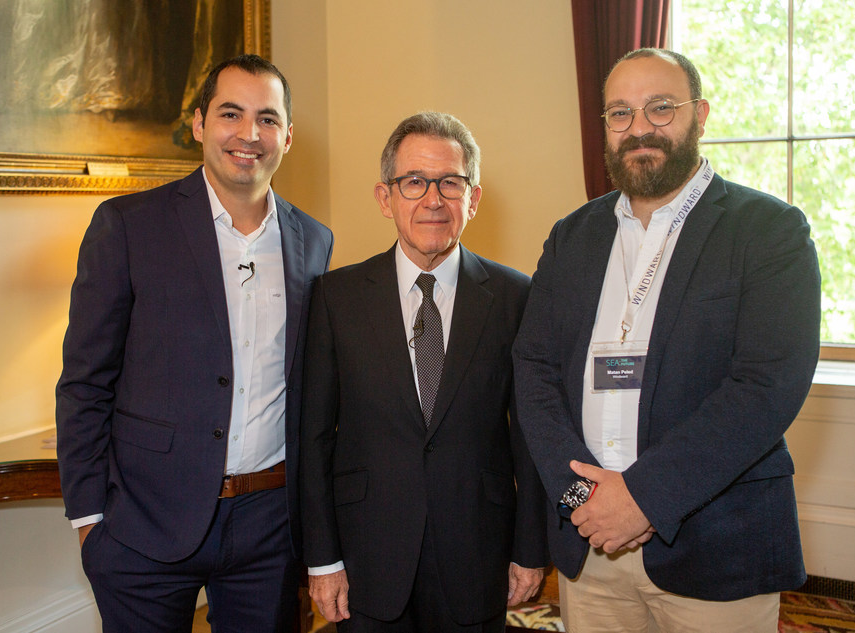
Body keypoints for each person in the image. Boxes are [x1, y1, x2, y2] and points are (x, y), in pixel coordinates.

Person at [512, 48, 821, 633]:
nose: (639, 129)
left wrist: (643, 498)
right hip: (592, 547)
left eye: (661, 108)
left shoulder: (769, 231)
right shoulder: (572, 236)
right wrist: (583, 499)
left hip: (714, 544)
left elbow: (766, 386)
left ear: (700, 115)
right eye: (620, 114)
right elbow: (533, 368)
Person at [55, 54, 333, 632]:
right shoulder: (128, 225)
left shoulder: (315, 242)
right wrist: (90, 522)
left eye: (267, 118)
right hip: (143, 526)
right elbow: (85, 381)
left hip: (269, 526)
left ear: (288, 136)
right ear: (201, 123)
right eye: (231, 113)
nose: (249, 134)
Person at [300, 111, 548, 632]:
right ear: (385, 197)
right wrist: (322, 559)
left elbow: (531, 435)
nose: (432, 199)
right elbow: (314, 439)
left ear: (473, 199)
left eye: (450, 183)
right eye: (413, 182)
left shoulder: (516, 297)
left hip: (478, 555)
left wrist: (530, 549)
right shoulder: (334, 298)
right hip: (367, 557)